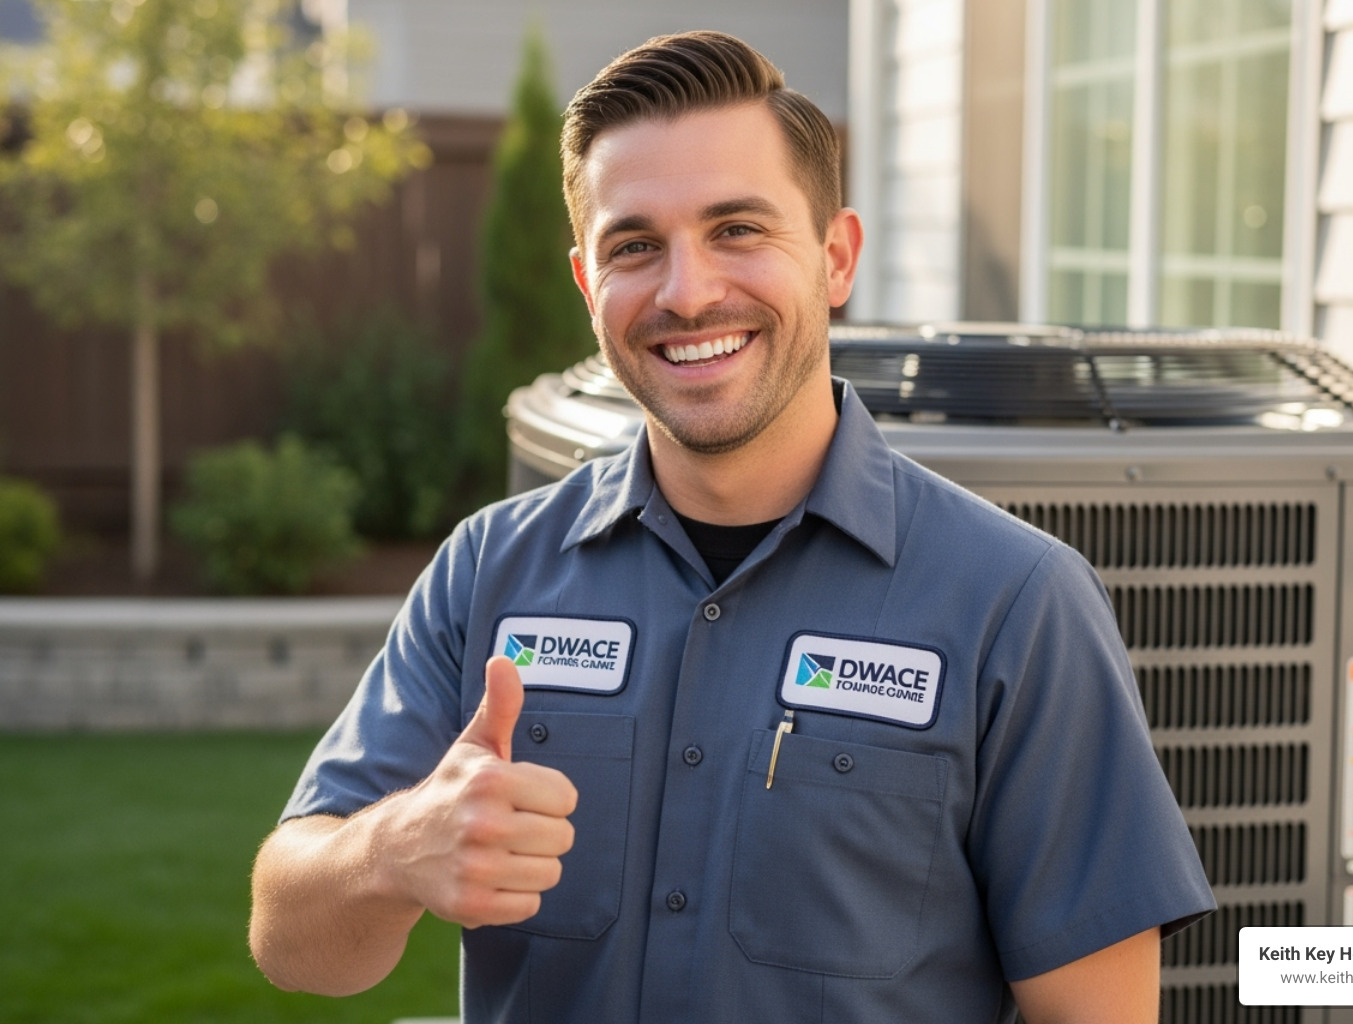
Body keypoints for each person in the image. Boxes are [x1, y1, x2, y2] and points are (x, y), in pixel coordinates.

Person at [249, 30, 1214, 1023]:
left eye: (738, 229)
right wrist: (395, 847)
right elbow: (289, 943)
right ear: (587, 287)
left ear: (836, 257)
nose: (688, 292)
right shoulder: (489, 571)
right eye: (634, 246)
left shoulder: (1015, 604)